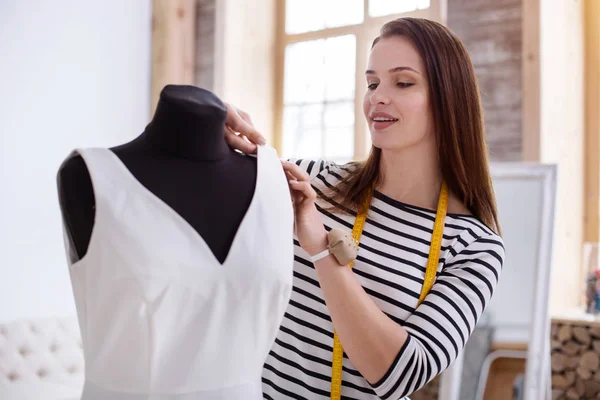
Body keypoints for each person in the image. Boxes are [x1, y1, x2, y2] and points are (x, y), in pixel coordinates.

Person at [223, 17, 505, 400]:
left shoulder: (473, 247)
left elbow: (402, 374)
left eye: (402, 82)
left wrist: (321, 247)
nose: (377, 98)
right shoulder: (313, 183)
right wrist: (211, 121)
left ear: (449, 99)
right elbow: (203, 182)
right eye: (372, 83)